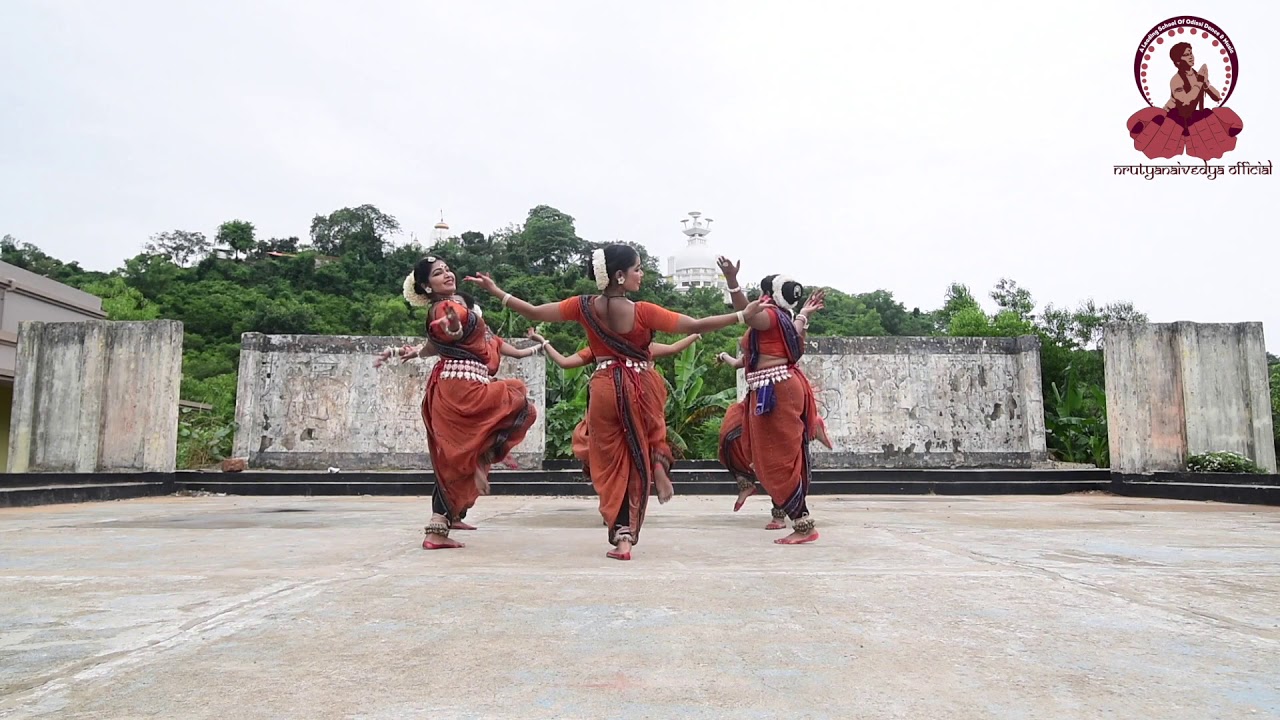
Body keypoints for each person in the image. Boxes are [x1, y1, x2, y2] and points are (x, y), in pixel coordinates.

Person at [464, 243, 763, 560]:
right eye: (637, 268)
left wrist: (497, 291)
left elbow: (535, 312)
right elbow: (694, 325)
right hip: (641, 384)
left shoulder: (582, 306)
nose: (641, 274)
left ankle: (621, 535)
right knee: (648, 439)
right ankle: (658, 463)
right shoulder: (643, 311)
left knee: (610, 460)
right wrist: (742, 315)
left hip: (605, 384)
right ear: (619, 276)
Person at [401, 256, 538, 550]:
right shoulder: (445, 308)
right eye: (438, 273)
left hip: (462, 385)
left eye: (447, 269)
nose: (447, 274)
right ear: (427, 286)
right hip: (459, 388)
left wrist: (417, 352)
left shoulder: (453, 305)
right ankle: (438, 529)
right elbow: (452, 329)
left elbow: (436, 341)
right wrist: (450, 324)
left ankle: (447, 517)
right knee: (517, 402)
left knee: (454, 455)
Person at [375, 331, 543, 531]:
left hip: (479, 396)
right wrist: (396, 351)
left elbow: (519, 353)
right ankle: (439, 522)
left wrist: (542, 343)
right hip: (454, 395)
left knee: (515, 402)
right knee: (450, 456)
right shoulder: (459, 334)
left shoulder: (487, 338)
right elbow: (431, 345)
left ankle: (456, 510)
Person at [526, 328, 701, 478]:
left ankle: (612, 491)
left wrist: (543, 341)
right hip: (642, 398)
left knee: (593, 438)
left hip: (607, 396)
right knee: (652, 436)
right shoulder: (643, 347)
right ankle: (657, 465)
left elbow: (564, 362)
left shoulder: (600, 348)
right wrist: (695, 334)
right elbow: (673, 348)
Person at [736, 272, 826, 544]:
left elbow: (747, 315)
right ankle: (798, 520)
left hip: (775, 390)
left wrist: (731, 281)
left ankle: (803, 525)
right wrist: (804, 314)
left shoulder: (772, 316)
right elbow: (795, 329)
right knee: (779, 454)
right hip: (777, 387)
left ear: (768, 294)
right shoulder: (785, 319)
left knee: (776, 458)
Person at [1127, 40, 1243, 161]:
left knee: (1219, 116)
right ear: (1178, 61)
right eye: (1187, 54)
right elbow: (1186, 100)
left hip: (1194, 119)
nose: (1191, 57)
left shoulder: (1198, 76)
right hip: (1175, 117)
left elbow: (1217, 97)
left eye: (1191, 53)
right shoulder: (1176, 80)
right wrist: (1199, 82)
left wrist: (1206, 83)